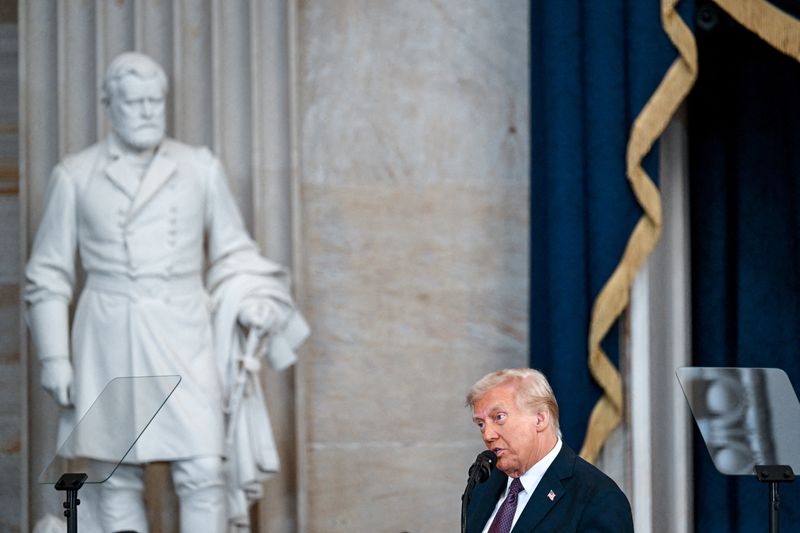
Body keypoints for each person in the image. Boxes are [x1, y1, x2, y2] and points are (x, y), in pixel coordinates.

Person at [25, 52, 308, 533]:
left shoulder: (199, 168)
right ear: (107, 105)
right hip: (109, 333)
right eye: (134, 102)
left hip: (185, 332)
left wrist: (255, 297)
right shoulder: (75, 174)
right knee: (114, 477)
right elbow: (47, 275)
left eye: (155, 101)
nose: (147, 111)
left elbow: (232, 249)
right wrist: (55, 358)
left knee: (203, 468)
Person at [465, 368, 633, 533]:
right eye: (481, 424)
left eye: (499, 417)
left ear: (540, 418)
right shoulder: (483, 486)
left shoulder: (598, 498)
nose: (487, 435)